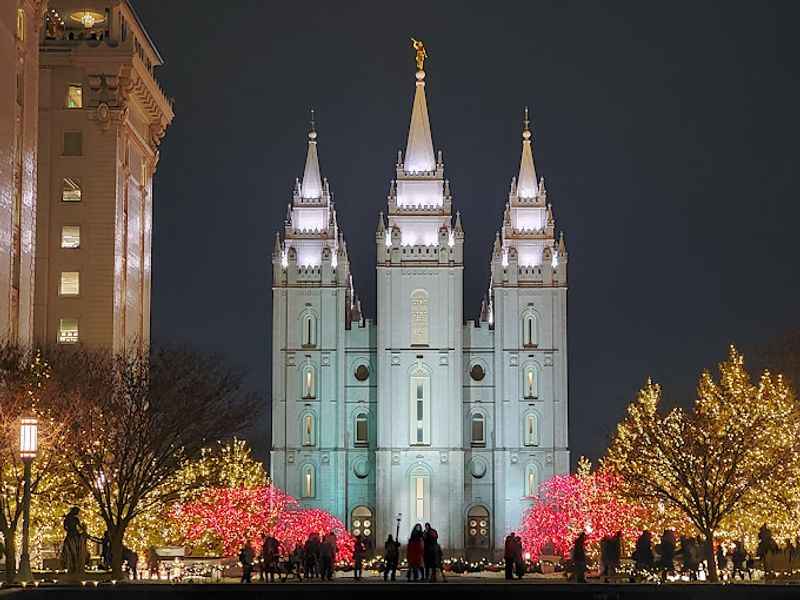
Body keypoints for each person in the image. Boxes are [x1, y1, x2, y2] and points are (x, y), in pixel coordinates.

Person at [60, 507, 88, 575]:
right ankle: (74, 565)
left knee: (74, 551)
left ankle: (74, 565)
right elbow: (79, 527)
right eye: (77, 512)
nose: (78, 513)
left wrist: (70, 530)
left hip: (71, 535)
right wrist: (83, 529)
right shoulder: (75, 519)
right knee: (74, 551)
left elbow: (65, 527)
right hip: (74, 535)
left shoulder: (67, 519)